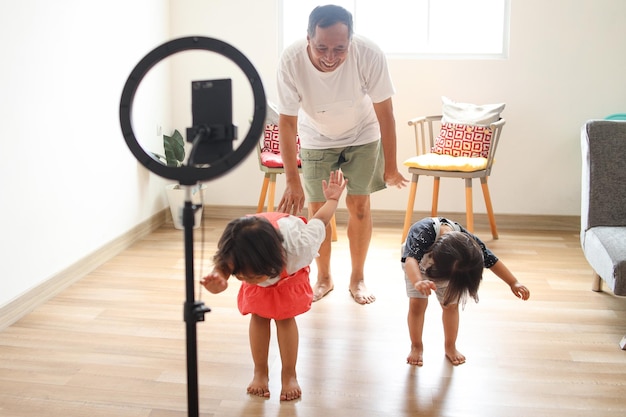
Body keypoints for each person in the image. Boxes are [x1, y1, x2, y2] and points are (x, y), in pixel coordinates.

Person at [275, 4, 408, 305]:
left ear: (351, 40)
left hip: (362, 132)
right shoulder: (291, 60)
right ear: (308, 38)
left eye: (340, 48)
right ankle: (323, 277)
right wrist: (291, 179)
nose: (330, 57)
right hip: (316, 136)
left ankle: (357, 277)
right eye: (322, 47)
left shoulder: (369, 54)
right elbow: (286, 121)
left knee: (359, 205)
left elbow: (386, 113)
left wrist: (391, 165)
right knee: (320, 211)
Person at [201, 171, 347, 401]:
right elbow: (225, 262)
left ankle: (289, 374)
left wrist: (333, 200)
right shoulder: (239, 245)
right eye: (240, 277)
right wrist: (219, 277)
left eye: (250, 277)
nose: (244, 281)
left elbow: (320, 220)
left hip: (289, 276)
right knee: (258, 315)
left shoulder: (300, 247)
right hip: (260, 245)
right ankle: (260, 372)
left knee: (284, 317)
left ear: (271, 266)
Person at [402, 217, 530, 366]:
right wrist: (418, 281)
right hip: (417, 268)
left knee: (450, 305)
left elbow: (492, 260)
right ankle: (416, 345)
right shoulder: (422, 233)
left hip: (450, 272)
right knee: (417, 305)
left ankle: (450, 346)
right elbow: (411, 259)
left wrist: (513, 282)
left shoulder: (468, 244)